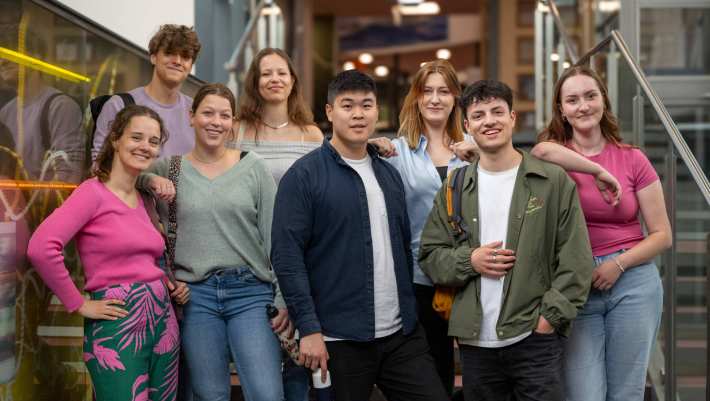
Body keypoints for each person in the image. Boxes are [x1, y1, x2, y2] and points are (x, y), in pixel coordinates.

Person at [271, 70, 448, 401]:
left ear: (377, 111)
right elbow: (286, 256)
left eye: (366, 105)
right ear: (329, 112)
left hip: (401, 335)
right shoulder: (304, 176)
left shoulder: (388, 173)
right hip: (339, 339)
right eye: (347, 105)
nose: (358, 114)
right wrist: (308, 328)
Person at [419, 79, 595, 401]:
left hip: (534, 339)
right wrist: (469, 260)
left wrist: (548, 320)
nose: (490, 121)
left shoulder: (551, 181)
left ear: (513, 117)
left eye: (497, 111)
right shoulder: (454, 186)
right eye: (479, 114)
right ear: (467, 125)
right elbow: (430, 255)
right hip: (475, 345)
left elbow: (576, 260)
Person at [139, 83, 287, 401]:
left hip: (250, 292)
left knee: (267, 393)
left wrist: (282, 299)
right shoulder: (170, 168)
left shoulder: (254, 167)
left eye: (224, 115)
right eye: (207, 113)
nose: (215, 121)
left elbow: (276, 238)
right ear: (191, 117)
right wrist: (150, 179)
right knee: (210, 394)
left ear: (233, 122)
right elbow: (120, 172)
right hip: (196, 297)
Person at [532, 66, 672, 401]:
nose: (583, 106)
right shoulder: (554, 158)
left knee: (626, 393)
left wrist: (618, 265)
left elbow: (662, 234)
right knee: (583, 394)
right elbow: (539, 151)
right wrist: (597, 171)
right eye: (572, 99)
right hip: (575, 285)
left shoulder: (633, 158)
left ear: (603, 102)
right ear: (561, 110)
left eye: (590, 96)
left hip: (633, 282)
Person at [27, 105, 184, 401]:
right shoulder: (92, 193)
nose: (145, 146)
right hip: (117, 323)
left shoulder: (144, 198)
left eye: (153, 141)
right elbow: (41, 247)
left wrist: (171, 284)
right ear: (115, 139)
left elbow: (150, 258)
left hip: (164, 322)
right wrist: (77, 303)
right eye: (136, 137)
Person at [367, 59, 471, 395]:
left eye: (444, 91)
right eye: (427, 91)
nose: (435, 99)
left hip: (473, 274)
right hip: (420, 277)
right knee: (434, 371)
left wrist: (482, 153)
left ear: (456, 97)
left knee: (481, 373)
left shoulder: (475, 146)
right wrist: (372, 146)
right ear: (416, 97)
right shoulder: (396, 151)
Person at [229, 47, 322, 401]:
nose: (274, 79)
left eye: (281, 72)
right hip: (247, 256)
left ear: (293, 80)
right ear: (255, 82)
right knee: (263, 360)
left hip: (299, 256)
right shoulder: (235, 131)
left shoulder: (310, 135)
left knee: (297, 356)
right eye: (266, 73)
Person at [92, 24, 201, 160]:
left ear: (191, 65)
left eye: (185, 57)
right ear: (153, 57)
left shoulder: (197, 113)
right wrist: (148, 179)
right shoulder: (119, 105)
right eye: (169, 53)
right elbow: (99, 164)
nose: (177, 61)